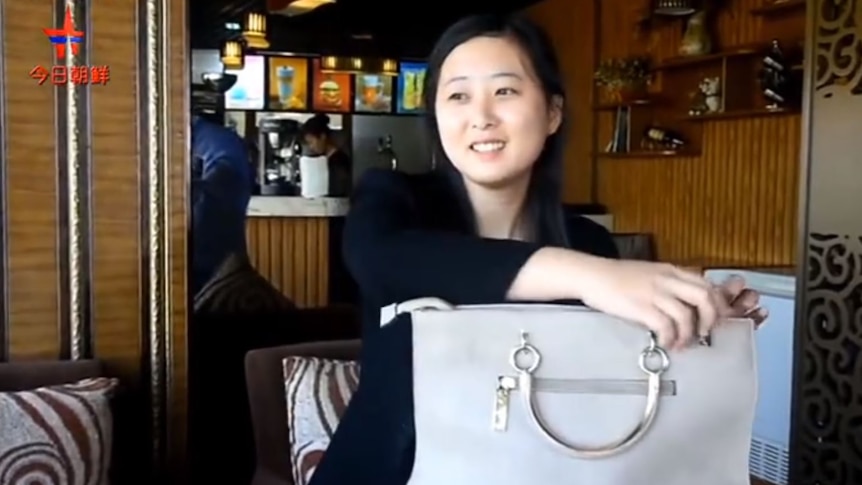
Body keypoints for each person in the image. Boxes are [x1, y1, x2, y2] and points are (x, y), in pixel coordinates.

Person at [308, 14, 768, 485]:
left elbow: (611, 378)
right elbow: (381, 259)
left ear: (552, 112)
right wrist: (589, 277)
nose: (481, 116)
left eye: (505, 91)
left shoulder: (587, 241)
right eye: (458, 96)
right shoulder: (393, 202)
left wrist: (699, 323)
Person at [190, 114, 254, 296]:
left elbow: (214, 208)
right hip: (224, 272)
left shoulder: (215, 143)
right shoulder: (220, 140)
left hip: (211, 272)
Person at [300, 113, 352, 196]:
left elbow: (339, 190)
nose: (311, 147)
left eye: (311, 142)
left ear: (322, 137)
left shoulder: (338, 161)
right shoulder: (324, 160)